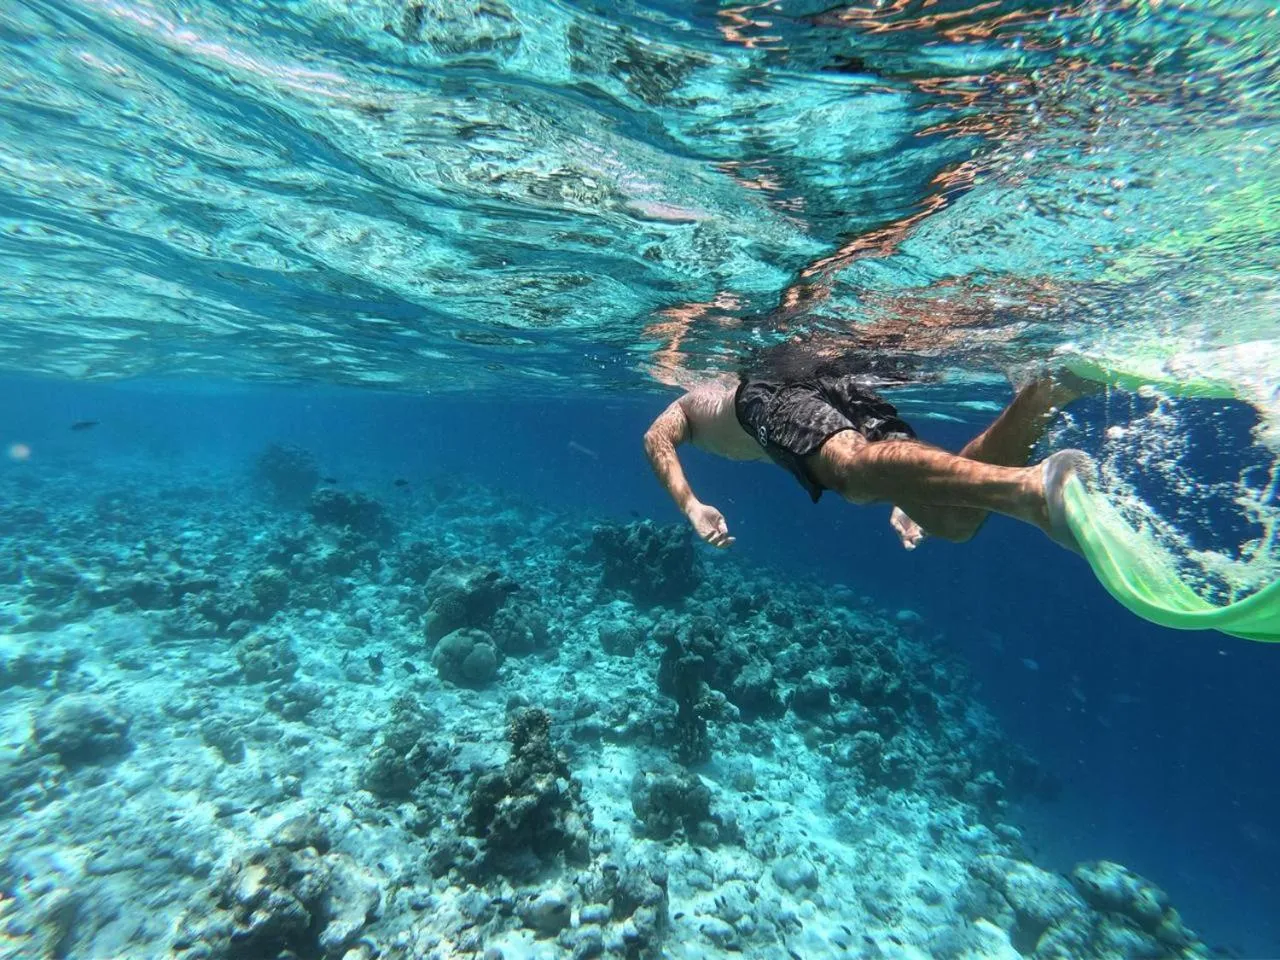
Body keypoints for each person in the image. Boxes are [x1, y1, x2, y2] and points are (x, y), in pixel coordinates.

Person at [642, 358, 1095, 552]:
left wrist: (691, 507)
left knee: (850, 475)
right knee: (954, 522)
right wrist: (901, 482)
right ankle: (1045, 392)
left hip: (766, 393)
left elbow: (655, 439)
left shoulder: (688, 402)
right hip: (832, 377)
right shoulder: (701, 396)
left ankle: (1033, 489)